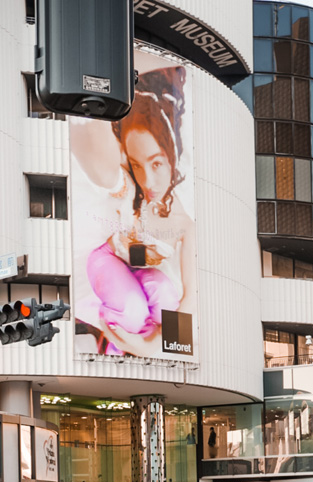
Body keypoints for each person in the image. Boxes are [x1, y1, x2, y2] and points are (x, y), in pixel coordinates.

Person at [72, 66, 195, 360]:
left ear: (172, 159)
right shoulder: (126, 188)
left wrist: (156, 348)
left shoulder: (186, 222)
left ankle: (124, 350)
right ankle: (115, 345)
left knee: (167, 298)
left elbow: (192, 298)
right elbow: (100, 160)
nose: (148, 182)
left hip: (145, 310)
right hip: (108, 271)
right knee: (132, 311)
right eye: (137, 165)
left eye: (156, 163)